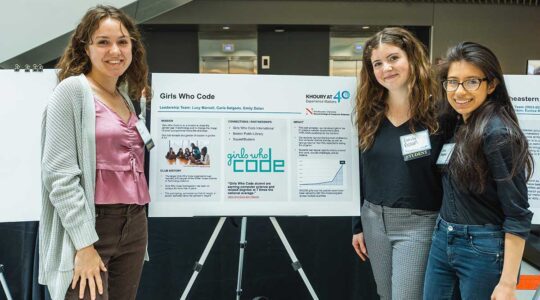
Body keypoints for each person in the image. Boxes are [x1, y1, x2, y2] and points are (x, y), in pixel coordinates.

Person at [39, 5, 151, 300]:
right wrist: (84, 245)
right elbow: (60, 177)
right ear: (85, 47)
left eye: (123, 41)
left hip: (134, 224)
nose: (115, 50)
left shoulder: (124, 96)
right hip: (92, 226)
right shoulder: (72, 92)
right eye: (103, 42)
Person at [423, 42, 533, 300]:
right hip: (443, 238)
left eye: (471, 82)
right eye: (452, 82)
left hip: (482, 247)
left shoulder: (498, 134)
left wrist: (508, 283)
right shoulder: (457, 123)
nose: (459, 91)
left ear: (491, 85)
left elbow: (517, 214)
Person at [351, 27, 446, 299]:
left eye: (393, 58)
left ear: (411, 59)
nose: (386, 68)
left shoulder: (439, 114)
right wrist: (357, 225)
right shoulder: (369, 114)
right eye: (377, 63)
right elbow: (361, 172)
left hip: (419, 222)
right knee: (386, 295)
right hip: (373, 220)